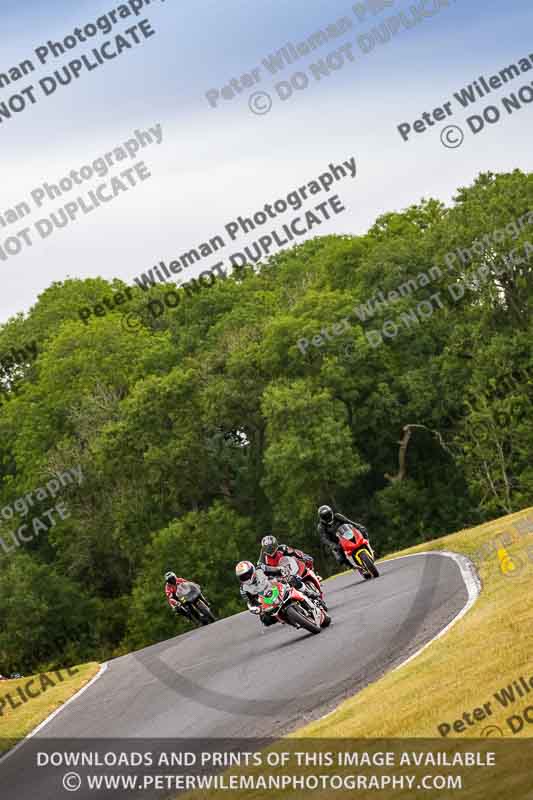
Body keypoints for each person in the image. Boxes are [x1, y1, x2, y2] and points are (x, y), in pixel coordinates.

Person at [257, 535, 324, 602]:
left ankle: (312, 577)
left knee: (308, 561)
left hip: (289, 568)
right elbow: (260, 569)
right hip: (278, 575)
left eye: (271, 547)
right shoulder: (263, 558)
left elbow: (294, 552)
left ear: (275, 544)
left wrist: (303, 556)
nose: (269, 549)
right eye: (267, 548)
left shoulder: (282, 548)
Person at [235, 560, 277, 626]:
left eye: (247, 574)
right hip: (266, 602)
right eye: (243, 577)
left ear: (252, 570)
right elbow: (250, 602)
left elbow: (276, 570)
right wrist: (258, 609)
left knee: (296, 581)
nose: (246, 577)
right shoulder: (243, 589)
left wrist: (282, 572)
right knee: (266, 620)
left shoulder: (261, 569)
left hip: (276, 587)